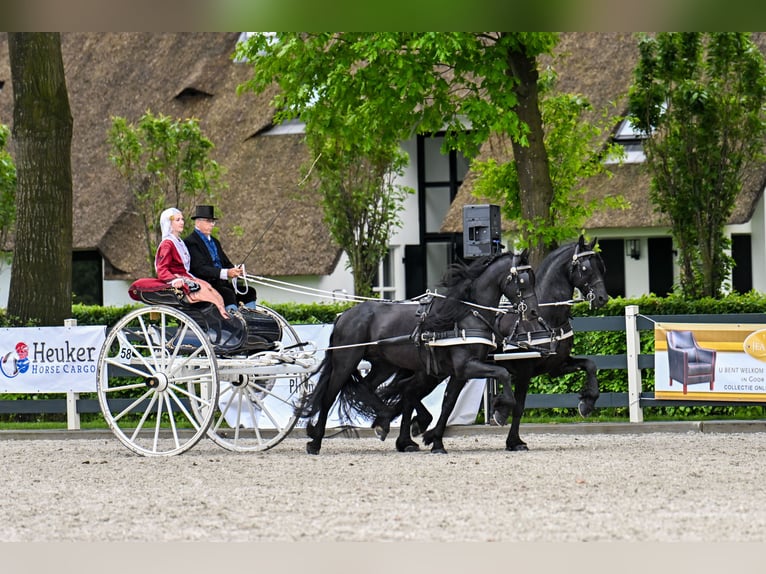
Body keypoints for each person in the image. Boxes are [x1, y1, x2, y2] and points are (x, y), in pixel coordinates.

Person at [155, 207, 230, 319]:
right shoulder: (167, 244)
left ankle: (223, 316)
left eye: (182, 219)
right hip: (179, 278)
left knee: (211, 290)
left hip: (187, 276)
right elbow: (161, 268)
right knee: (209, 295)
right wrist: (173, 279)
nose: (182, 222)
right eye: (177, 220)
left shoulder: (179, 242)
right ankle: (222, 317)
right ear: (169, 223)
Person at [184, 205, 258, 314]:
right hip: (205, 285)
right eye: (208, 221)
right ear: (198, 222)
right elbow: (200, 269)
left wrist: (236, 270)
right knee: (227, 294)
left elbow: (225, 262)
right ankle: (233, 323)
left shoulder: (215, 242)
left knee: (249, 291)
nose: (212, 224)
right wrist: (226, 273)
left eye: (213, 222)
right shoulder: (191, 242)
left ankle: (251, 320)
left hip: (222, 283)